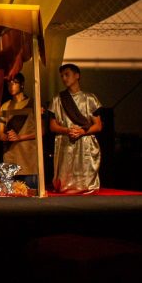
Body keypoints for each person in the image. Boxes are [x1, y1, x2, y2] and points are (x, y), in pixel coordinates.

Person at [48, 63, 102, 194]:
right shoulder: (58, 99)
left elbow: (98, 125)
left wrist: (82, 131)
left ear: (77, 75)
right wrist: (68, 130)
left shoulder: (90, 98)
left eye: (67, 75)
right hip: (65, 142)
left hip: (85, 143)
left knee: (85, 173)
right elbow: (52, 126)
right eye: (62, 76)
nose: (64, 78)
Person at [0, 73, 38, 189]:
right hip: (10, 155)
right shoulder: (5, 106)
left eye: (14, 83)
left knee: (30, 191)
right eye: (9, 84)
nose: (11, 86)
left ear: (22, 85)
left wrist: (20, 137)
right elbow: (0, 133)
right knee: (10, 192)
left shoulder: (33, 104)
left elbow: (41, 131)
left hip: (28, 156)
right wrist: (5, 137)